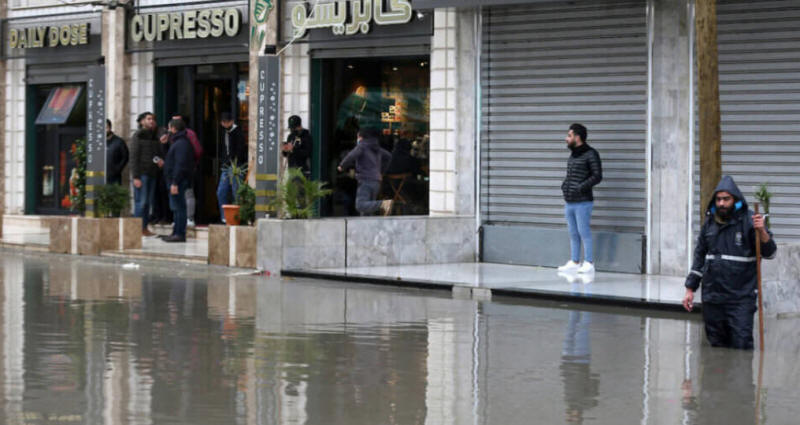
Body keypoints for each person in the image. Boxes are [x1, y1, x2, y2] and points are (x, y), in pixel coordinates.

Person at [682, 175, 777, 350]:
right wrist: (690, 289)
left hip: (740, 299)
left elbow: (770, 253)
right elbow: (699, 256)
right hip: (713, 298)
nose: (722, 204)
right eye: (718, 199)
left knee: (741, 347)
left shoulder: (750, 221)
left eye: (726, 199)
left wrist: (762, 231)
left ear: (735, 199)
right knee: (716, 348)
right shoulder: (709, 223)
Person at [558, 123, 602, 274]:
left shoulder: (591, 154)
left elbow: (597, 176)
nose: (566, 138)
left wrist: (580, 187)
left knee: (584, 232)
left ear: (577, 137)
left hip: (583, 201)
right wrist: (565, 186)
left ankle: (589, 262)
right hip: (570, 201)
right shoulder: (573, 154)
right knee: (573, 233)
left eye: (569, 135)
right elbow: (570, 175)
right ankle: (575, 261)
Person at [337, 127, 393, 216]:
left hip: (365, 180)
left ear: (361, 137)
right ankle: (367, 223)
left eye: (357, 136)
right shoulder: (377, 148)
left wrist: (342, 166)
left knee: (360, 205)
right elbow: (388, 156)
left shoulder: (362, 146)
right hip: (376, 181)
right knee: (367, 210)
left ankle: (382, 204)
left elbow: (351, 156)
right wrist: (381, 171)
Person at [159, 118, 195, 242]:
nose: (168, 131)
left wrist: (175, 182)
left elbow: (180, 164)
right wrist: (164, 145)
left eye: (169, 128)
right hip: (174, 180)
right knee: (175, 207)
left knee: (179, 207)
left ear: (174, 129)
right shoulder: (177, 142)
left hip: (178, 181)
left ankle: (179, 233)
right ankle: (176, 232)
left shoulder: (181, 143)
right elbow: (171, 159)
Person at [129, 112, 160, 237]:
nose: (151, 121)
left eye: (153, 119)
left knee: (147, 203)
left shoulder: (154, 136)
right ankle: (137, 229)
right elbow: (133, 157)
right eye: (148, 119)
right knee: (141, 202)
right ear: (142, 121)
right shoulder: (137, 136)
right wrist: (136, 176)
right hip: (142, 174)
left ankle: (144, 228)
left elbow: (156, 154)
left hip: (152, 173)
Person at [171, 113, 203, 228]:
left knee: (188, 193)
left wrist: (192, 163)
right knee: (178, 195)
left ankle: (189, 218)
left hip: (185, 169)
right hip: (177, 169)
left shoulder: (189, 134)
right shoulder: (170, 136)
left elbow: (198, 151)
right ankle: (179, 218)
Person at [216, 112, 247, 223]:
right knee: (221, 191)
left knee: (236, 192)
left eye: (226, 122)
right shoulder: (223, 132)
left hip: (236, 166)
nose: (225, 124)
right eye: (223, 122)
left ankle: (238, 217)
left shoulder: (238, 132)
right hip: (226, 165)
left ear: (232, 121)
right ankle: (224, 217)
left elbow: (240, 149)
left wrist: (235, 162)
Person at [105, 119, 129, 185]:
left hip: (114, 178)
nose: (104, 130)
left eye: (106, 127)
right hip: (99, 176)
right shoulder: (98, 143)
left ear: (110, 128)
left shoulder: (119, 142)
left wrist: (117, 169)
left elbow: (125, 157)